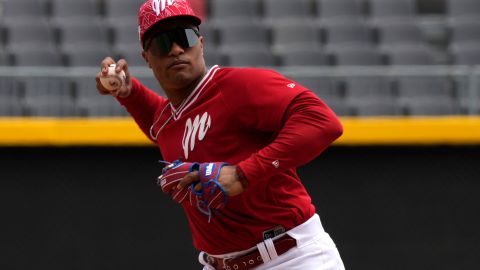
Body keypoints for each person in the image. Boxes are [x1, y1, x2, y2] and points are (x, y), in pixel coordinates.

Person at [96, 0, 345, 269]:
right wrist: (129, 94)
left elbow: (323, 121)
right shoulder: (168, 120)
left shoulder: (236, 87)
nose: (177, 49)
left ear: (201, 43)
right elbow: (166, 126)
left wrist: (244, 173)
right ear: (147, 57)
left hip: (292, 257)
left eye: (185, 37)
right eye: (162, 43)